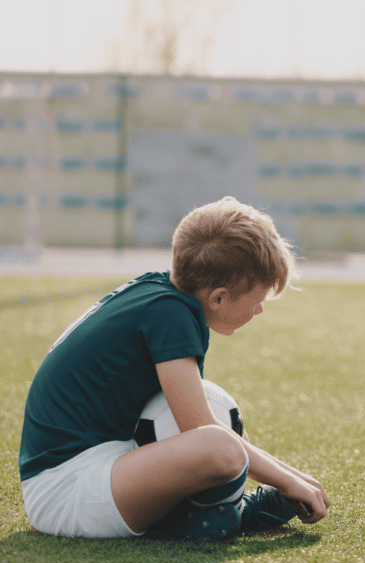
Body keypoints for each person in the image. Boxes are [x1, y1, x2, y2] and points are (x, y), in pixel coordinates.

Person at [19, 196, 330, 539]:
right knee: (219, 447)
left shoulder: (160, 292)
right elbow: (202, 432)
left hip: (83, 472)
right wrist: (286, 481)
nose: (258, 311)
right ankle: (232, 512)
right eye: (256, 302)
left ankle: (214, 511)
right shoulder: (171, 315)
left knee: (211, 410)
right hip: (67, 491)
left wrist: (293, 479)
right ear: (219, 298)